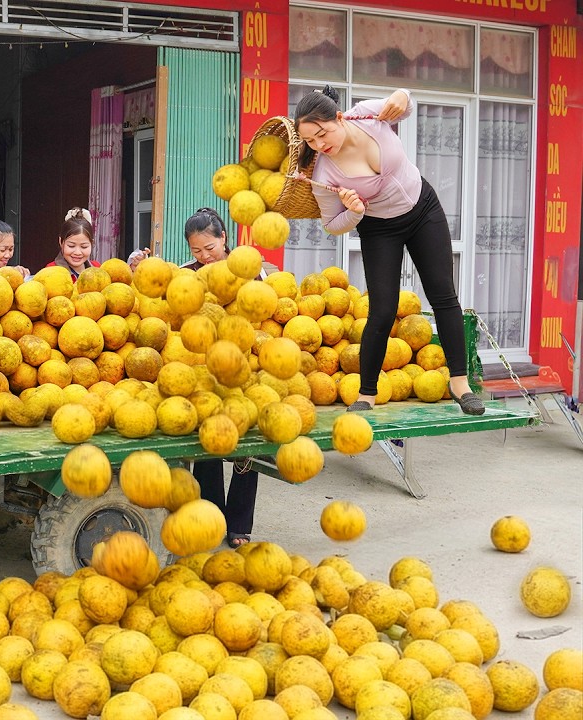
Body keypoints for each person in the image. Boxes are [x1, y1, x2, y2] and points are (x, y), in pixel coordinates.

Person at [294, 86, 483, 415]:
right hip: (379, 228)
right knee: (382, 310)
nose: (320, 145)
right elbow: (331, 223)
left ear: (339, 117)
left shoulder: (366, 114)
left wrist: (402, 95)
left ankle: (459, 383)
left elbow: (405, 106)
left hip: (423, 208)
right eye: (311, 141)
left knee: (443, 295)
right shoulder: (325, 173)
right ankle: (367, 393)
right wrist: (353, 211)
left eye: (322, 134)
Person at [177, 207, 261, 548]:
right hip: (203, 370)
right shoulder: (187, 275)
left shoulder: (250, 273)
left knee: (247, 448)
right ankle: (212, 517)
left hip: (244, 368)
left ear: (224, 238)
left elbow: (265, 316)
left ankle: (239, 523)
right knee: (208, 443)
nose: (203, 257)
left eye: (209, 248)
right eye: (196, 251)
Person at [44, 207, 101, 280]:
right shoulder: (50, 271)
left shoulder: (98, 269)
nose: (77, 252)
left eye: (84, 247)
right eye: (71, 246)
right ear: (61, 242)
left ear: (92, 244)